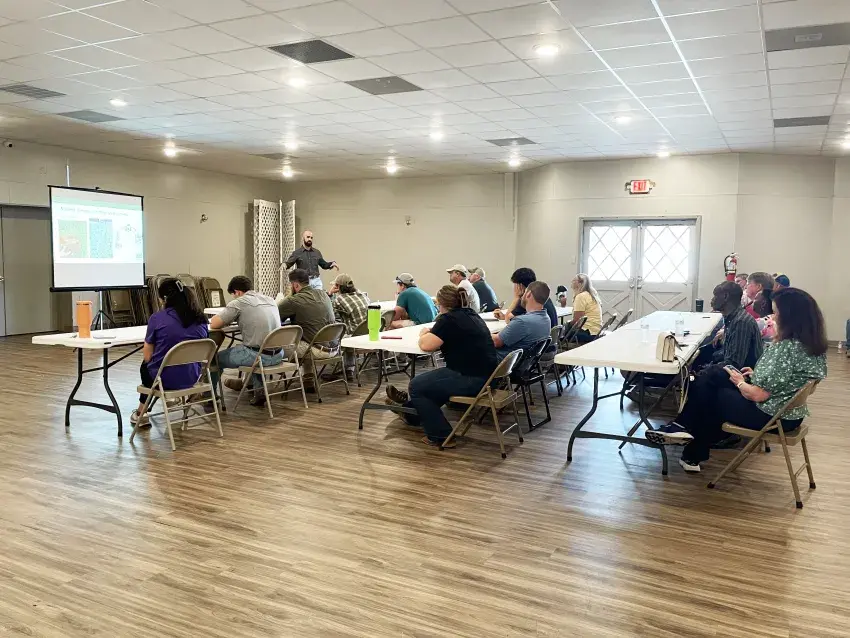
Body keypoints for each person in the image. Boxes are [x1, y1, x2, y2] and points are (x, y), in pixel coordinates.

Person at [647, 287, 827, 473]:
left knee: (709, 393)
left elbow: (757, 395)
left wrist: (740, 382)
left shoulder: (784, 349)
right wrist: (755, 375)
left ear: (789, 317)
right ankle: (689, 448)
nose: (772, 318)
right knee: (710, 381)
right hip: (791, 415)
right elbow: (784, 379)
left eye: (775, 312)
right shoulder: (812, 347)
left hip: (770, 416)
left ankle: (685, 435)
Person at [385, 284, 499, 448]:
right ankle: (409, 413)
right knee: (432, 385)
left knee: (416, 385)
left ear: (440, 304)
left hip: (470, 378)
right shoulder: (471, 314)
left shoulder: (448, 319)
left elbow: (426, 345)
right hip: (489, 377)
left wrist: (424, 334)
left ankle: (440, 435)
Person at [131, 278, 209, 426]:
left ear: (165, 299)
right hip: (192, 377)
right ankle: (149, 408)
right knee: (162, 366)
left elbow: (147, 356)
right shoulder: (201, 319)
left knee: (147, 367)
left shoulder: (157, 318)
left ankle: (142, 412)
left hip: (164, 380)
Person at [210, 275, 281, 406]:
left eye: (233, 295)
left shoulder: (238, 302)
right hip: (278, 354)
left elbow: (214, 324)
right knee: (253, 347)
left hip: (258, 357)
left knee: (214, 359)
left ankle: (209, 396)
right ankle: (258, 390)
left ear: (237, 292)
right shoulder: (270, 299)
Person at [277, 269, 337, 381]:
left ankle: (259, 381)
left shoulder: (293, 300)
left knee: (271, 346)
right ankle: (308, 377)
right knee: (307, 336)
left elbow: (274, 316)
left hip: (316, 350)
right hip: (334, 348)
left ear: (295, 285)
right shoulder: (323, 294)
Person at [701, 281, 764, 371]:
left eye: (715, 296)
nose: (712, 300)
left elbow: (734, 364)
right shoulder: (732, 317)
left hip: (742, 375)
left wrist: (705, 371)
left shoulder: (741, 322)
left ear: (725, 297)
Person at [492, 281, 552, 360]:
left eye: (524, 292)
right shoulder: (546, 319)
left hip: (502, 362)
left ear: (528, 294)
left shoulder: (522, 322)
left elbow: (496, 342)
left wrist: (481, 329)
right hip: (524, 363)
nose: (522, 297)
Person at [329, 272, 370, 378]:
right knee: (350, 327)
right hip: (369, 334)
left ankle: (341, 366)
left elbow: (329, 313)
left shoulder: (340, 299)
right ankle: (349, 369)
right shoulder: (362, 295)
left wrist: (330, 293)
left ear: (338, 287)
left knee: (335, 334)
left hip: (354, 337)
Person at [493, 267, 557, 327]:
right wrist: (504, 316)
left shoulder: (529, 299)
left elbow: (508, 320)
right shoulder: (541, 296)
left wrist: (516, 298)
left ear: (519, 286)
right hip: (547, 333)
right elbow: (515, 317)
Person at [570, 273, 603, 343]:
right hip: (597, 331)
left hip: (587, 332)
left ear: (580, 283)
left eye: (574, 280)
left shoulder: (581, 297)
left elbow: (577, 321)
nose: (572, 281)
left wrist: (566, 326)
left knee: (560, 335)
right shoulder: (592, 295)